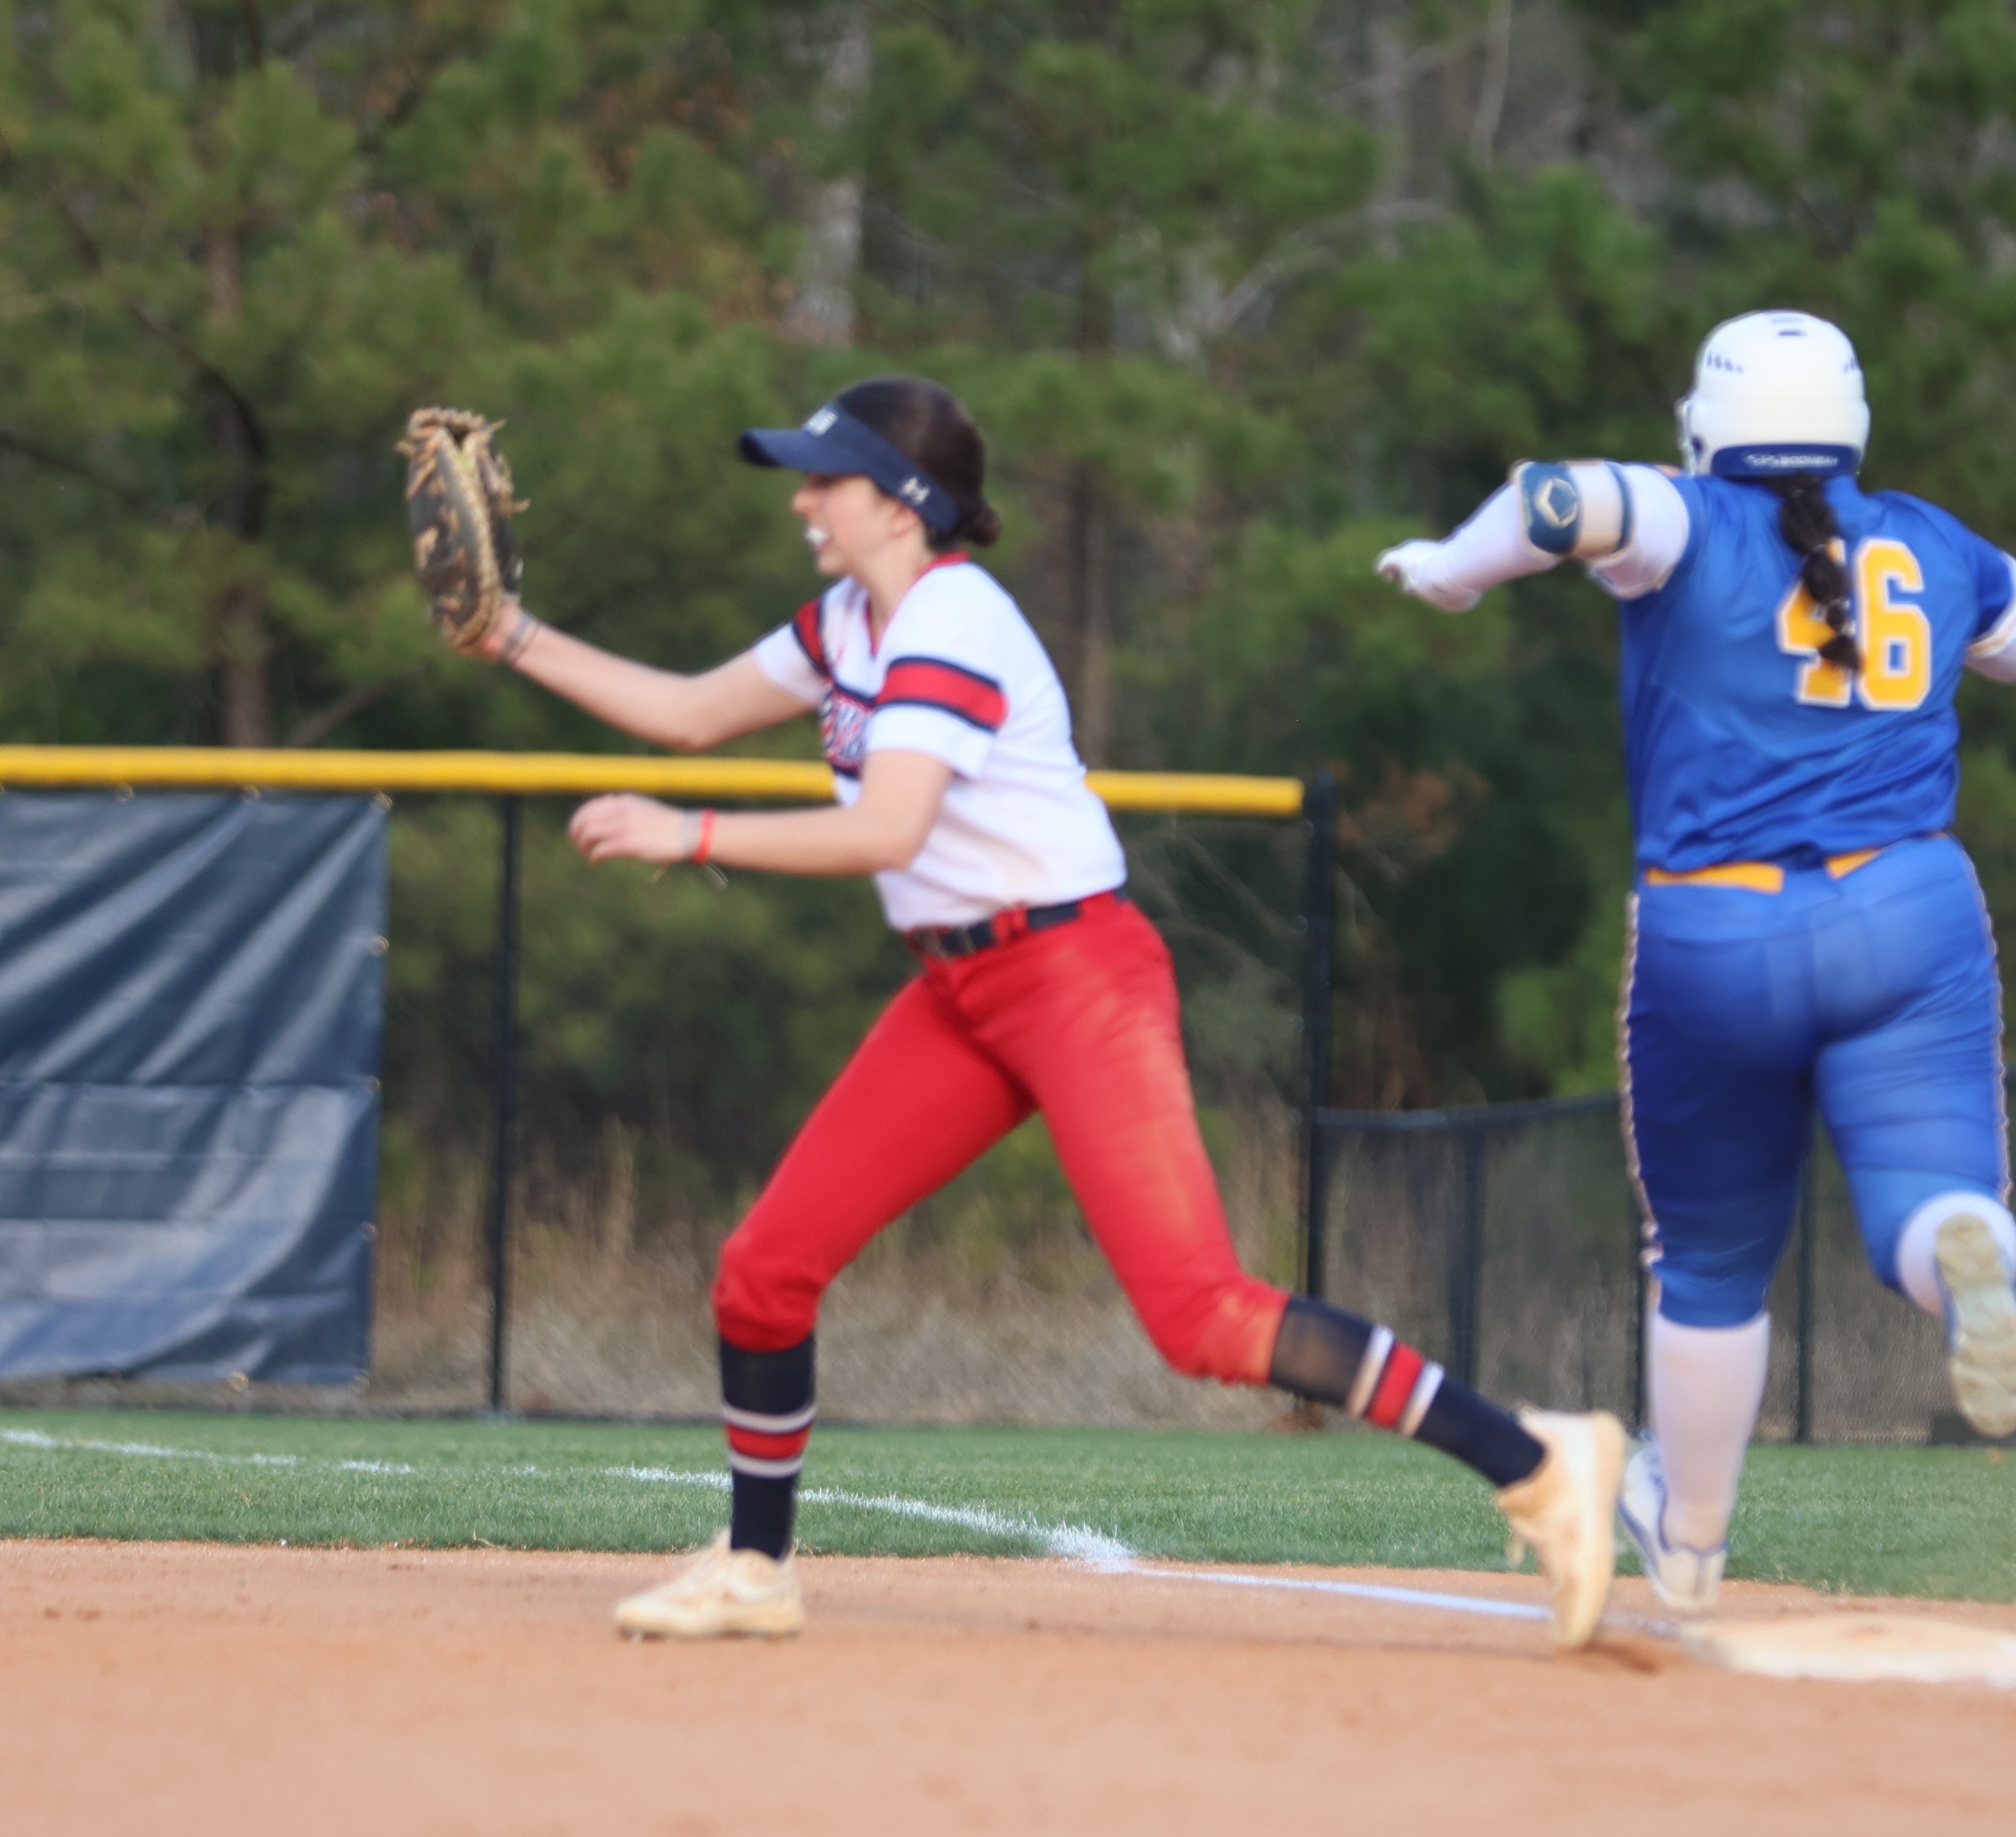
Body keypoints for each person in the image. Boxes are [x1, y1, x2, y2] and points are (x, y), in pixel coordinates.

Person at [464, 375, 1624, 1646]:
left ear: (901, 504)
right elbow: (690, 714)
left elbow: (887, 828)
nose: (803, 500)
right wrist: (509, 634)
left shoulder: (952, 622)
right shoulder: (848, 620)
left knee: (1200, 1317)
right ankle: (755, 1566)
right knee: (763, 1274)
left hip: (1076, 980)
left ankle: (1536, 1460)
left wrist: (690, 836)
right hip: (960, 992)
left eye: (826, 479)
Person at [1373, 311, 2016, 1617]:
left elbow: (1557, 499)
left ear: (1713, 422)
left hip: (1721, 927)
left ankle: (1690, 1542)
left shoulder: (1688, 519)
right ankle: (1961, 1250)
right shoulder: (1934, 539)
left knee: (1706, 1260)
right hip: (1909, 903)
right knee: (1928, 1192)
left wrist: (1454, 571)